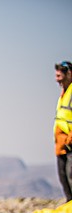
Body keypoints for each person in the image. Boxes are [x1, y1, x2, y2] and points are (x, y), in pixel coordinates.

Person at [54, 61, 72, 202]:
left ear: (69, 74)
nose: (57, 79)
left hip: (70, 142)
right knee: (63, 176)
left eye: (60, 76)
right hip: (61, 144)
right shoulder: (63, 94)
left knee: (71, 175)